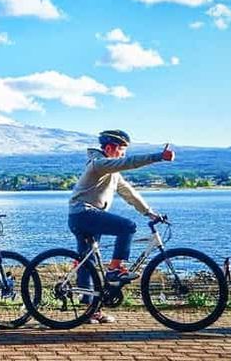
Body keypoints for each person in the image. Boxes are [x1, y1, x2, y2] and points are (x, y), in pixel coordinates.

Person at [69, 130, 174, 324]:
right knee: (127, 227)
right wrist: (158, 157)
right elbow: (128, 163)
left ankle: (90, 311)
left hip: (86, 216)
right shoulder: (98, 164)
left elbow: (128, 193)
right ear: (109, 149)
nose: (123, 155)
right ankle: (115, 269)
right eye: (121, 150)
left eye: (125, 151)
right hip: (83, 214)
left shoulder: (112, 172)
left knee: (89, 262)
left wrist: (149, 212)